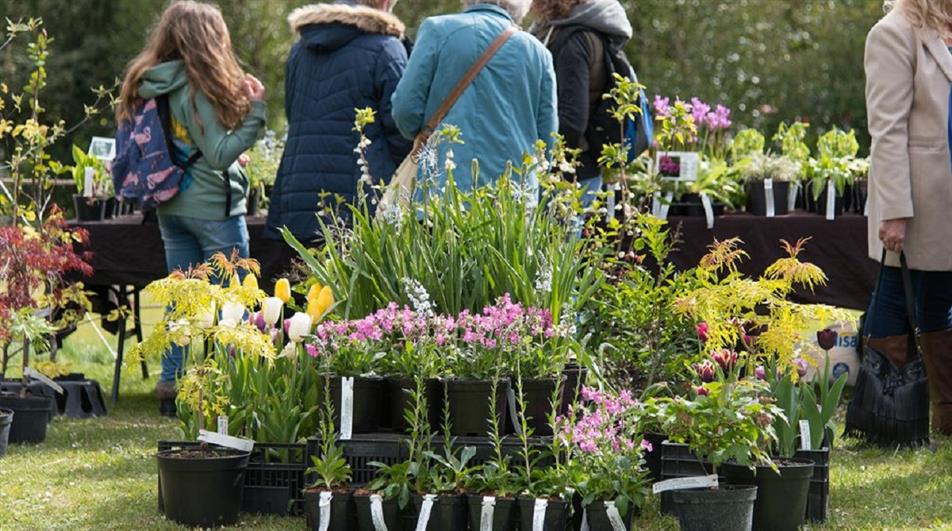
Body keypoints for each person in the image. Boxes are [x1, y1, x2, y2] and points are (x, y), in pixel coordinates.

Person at [116, 0, 267, 415]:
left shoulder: (150, 82)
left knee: (181, 301)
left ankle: (171, 387)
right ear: (209, 40)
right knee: (231, 301)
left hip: (170, 206)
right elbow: (217, 154)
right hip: (214, 212)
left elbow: (186, 145)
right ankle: (230, 389)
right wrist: (255, 114)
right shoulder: (194, 87)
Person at [864, 0, 952, 434]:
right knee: (899, 297)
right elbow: (887, 129)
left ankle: (943, 413)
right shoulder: (893, 32)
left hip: (947, 196)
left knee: (939, 299)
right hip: (918, 201)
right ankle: (884, 413)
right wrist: (894, 210)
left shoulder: (946, 28)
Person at [265, 0, 411, 242]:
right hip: (360, 198)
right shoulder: (386, 48)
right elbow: (400, 127)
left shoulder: (300, 49)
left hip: (298, 192)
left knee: (304, 278)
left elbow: (294, 114)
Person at [391, 0, 558, 197]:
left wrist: (424, 134)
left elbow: (405, 111)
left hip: (443, 186)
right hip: (513, 198)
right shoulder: (538, 52)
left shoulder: (437, 30)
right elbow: (547, 141)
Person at [531, 0, 632, 207]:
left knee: (559, 239)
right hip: (579, 168)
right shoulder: (582, 32)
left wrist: (541, 158)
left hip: (569, 174)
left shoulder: (573, 40)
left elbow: (571, 121)